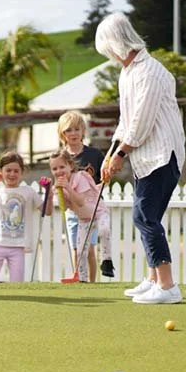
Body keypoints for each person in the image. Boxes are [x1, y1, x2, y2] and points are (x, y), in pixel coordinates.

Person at [95, 12, 186, 304]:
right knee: (150, 217)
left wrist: (120, 155)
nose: (108, 55)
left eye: (107, 49)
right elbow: (126, 120)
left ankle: (168, 286)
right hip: (145, 158)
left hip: (162, 154)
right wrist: (109, 156)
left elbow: (142, 124)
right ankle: (153, 280)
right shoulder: (128, 72)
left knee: (144, 217)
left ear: (116, 43)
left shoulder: (150, 71)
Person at [0, 151, 52, 283]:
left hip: (18, 246)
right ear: (0, 171)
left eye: (16, 171)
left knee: (17, 283)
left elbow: (47, 211)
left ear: (22, 172)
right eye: (8, 170)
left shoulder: (28, 192)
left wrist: (50, 193)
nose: (12, 174)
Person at [57, 110, 114, 278]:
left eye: (76, 129)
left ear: (83, 130)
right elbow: (58, 179)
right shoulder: (62, 157)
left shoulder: (94, 154)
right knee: (77, 248)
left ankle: (92, 284)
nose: (73, 133)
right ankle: (79, 280)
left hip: (91, 210)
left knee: (89, 249)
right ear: (62, 134)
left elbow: (103, 179)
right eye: (68, 130)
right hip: (73, 210)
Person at [49, 149, 110, 283]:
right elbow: (65, 207)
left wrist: (68, 188)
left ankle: (107, 261)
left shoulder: (80, 177)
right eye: (54, 169)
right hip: (84, 219)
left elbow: (81, 201)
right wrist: (58, 192)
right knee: (80, 251)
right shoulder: (60, 185)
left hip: (98, 213)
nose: (58, 171)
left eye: (62, 167)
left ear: (70, 166)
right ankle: (82, 279)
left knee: (104, 231)